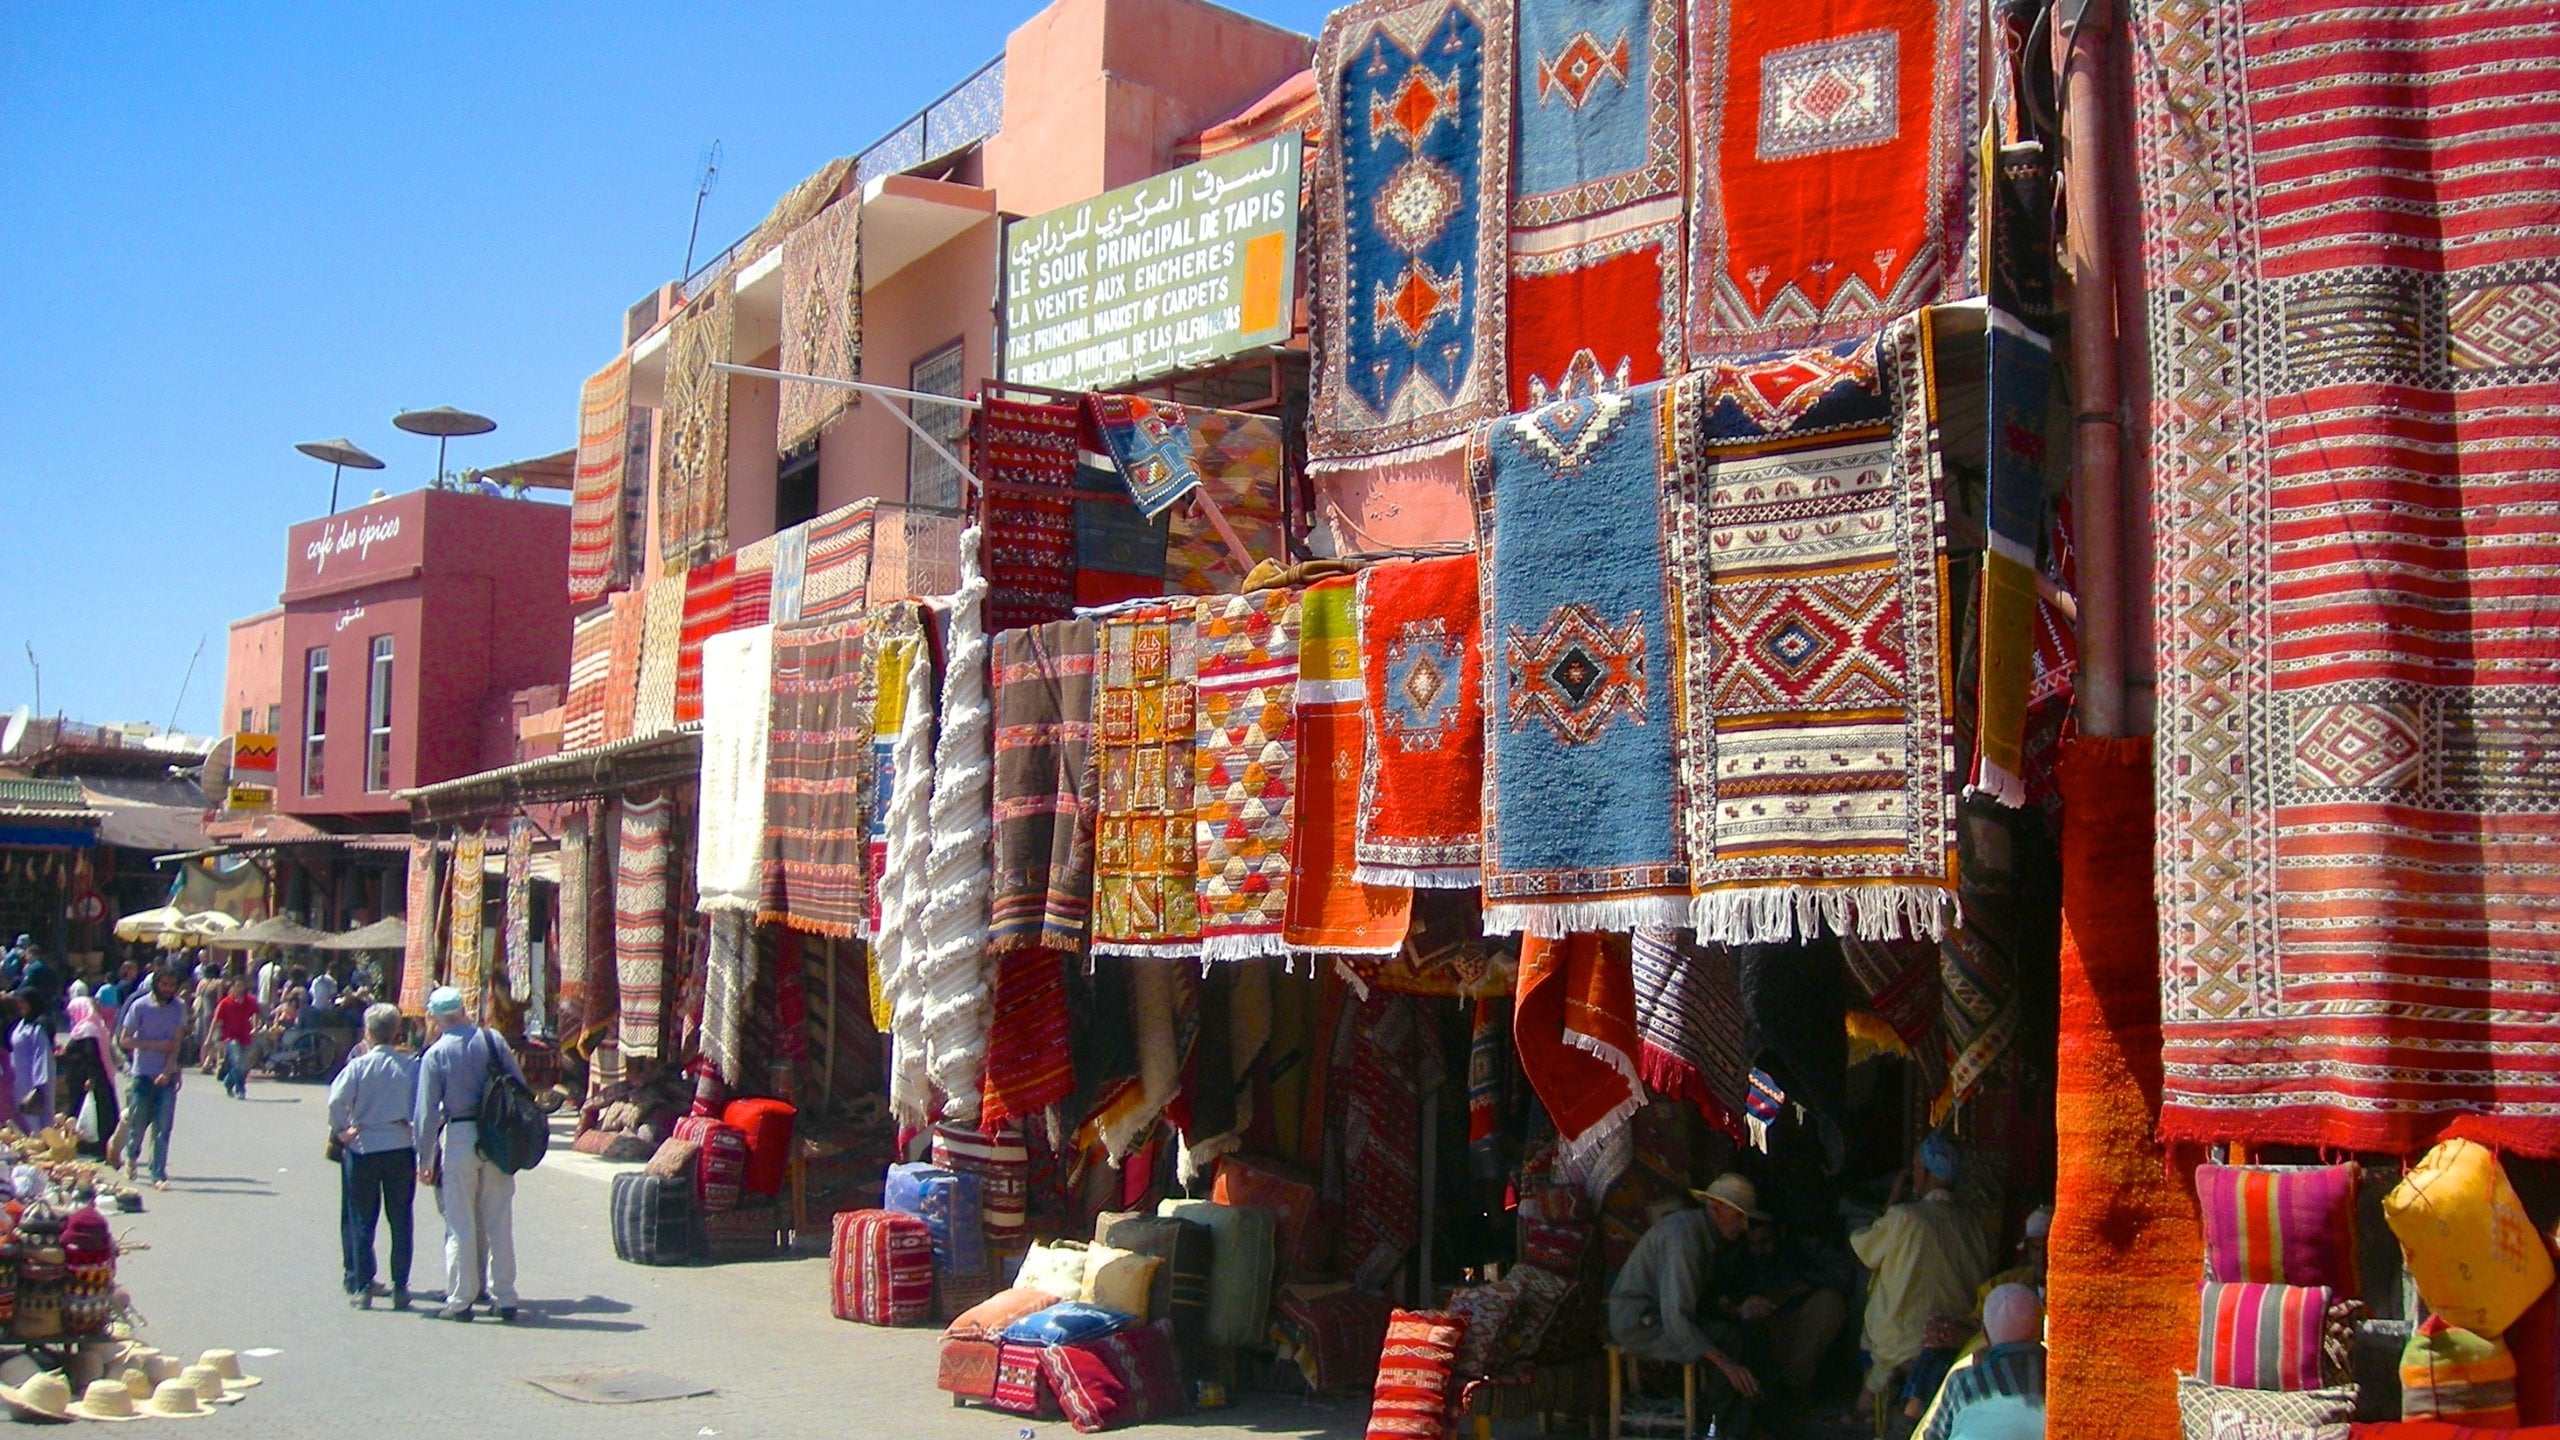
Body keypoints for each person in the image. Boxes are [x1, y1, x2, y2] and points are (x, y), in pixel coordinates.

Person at [1851, 1134, 1998, 1410]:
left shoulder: (1904, 1217)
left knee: (1874, 1299)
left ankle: (1867, 1401)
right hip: (1957, 1333)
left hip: (1903, 1339)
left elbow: (1864, 1250)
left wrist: (1893, 1198)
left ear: (1926, 1173)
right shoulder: (1972, 1223)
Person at [413, 986, 525, 1322]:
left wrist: (425, 1157)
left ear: (434, 1017)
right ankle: (505, 1296)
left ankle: (461, 1298)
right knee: (499, 1220)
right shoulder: (492, 1041)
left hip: (459, 1135)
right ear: (464, 1010)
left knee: (460, 1221)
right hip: (498, 1136)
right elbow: (519, 1086)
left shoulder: (436, 1054)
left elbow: (427, 1113)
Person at [1608, 1191, 1760, 1432]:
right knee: (1726, 1341)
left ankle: (1723, 1423)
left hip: (1657, 1316)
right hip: (1638, 1323)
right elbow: (1676, 1319)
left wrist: (1737, 1310)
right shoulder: (1684, 1239)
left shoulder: (1702, 1233)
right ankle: (1719, 1429)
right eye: (1738, 1216)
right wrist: (1727, 1365)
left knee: (1735, 1333)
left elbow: (1700, 1299)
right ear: (1716, 1208)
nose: (1744, 1226)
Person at [1711, 1182, 1851, 1398]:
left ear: (1780, 1232)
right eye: (1753, 1244)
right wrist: (1743, 1306)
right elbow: (1714, 1299)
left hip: (1799, 1326)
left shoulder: (1801, 1245)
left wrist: (1793, 1291)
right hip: (1762, 1331)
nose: (1760, 1250)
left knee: (1829, 1302)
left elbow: (1842, 1273)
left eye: (1766, 1242)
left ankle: (1793, 1387)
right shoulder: (1735, 1258)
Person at [330, 1003, 417, 1311]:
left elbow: (336, 1102)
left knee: (362, 1218)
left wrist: (343, 1131)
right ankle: (401, 1285)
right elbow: (422, 1105)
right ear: (396, 1032)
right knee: (401, 1217)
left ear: (368, 1032)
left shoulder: (357, 1066)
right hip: (399, 1146)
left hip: (364, 1146)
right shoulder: (408, 1066)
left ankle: (363, 1285)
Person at [1918, 1284, 2046, 1440]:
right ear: (2041, 1330)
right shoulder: (2064, 1381)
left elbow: (1932, 1437)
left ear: (1984, 1333)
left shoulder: (1962, 1382)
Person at [114, 966, 187, 1189]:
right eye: (164, 984)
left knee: (163, 1126)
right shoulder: (140, 1006)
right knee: (138, 1123)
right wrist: (154, 1045)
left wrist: (169, 1069)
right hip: (142, 1073)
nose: (168, 989)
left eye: (172, 986)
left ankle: (158, 1173)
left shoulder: (178, 1007)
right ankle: (132, 1157)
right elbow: (124, 1040)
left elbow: (176, 1042)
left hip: (166, 1074)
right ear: (156, 984)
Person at [55, 997, 119, 1161]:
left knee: (93, 1115)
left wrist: (91, 1077)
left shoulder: (87, 1029)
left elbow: (91, 1056)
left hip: (89, 1082)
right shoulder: (91, 1027)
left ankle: (98, 1149)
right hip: (90, 1080)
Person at [7, 992, 53, 1135]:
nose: (21, 1006)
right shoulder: (21, 1024)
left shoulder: (38, 1027)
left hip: (32, 1083)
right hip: (18, 1081)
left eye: (24, 1002)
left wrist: (39, 1086)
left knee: (35, 1121)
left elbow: (42, 1056)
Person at [212, 980, 257, 1100]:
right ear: (232, 987)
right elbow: (216, 1020)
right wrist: (209, 1039)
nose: (240, 988)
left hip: (245, 1035)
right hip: (230, 1037)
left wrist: (256, 1027)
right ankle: (240, 1089)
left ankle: (228, 1081)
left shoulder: (250, 1001)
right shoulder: (225, 1003)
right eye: (237, 986)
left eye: (242, 985)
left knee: (243, 1065)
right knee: (237, 1062)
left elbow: (256, 1013)